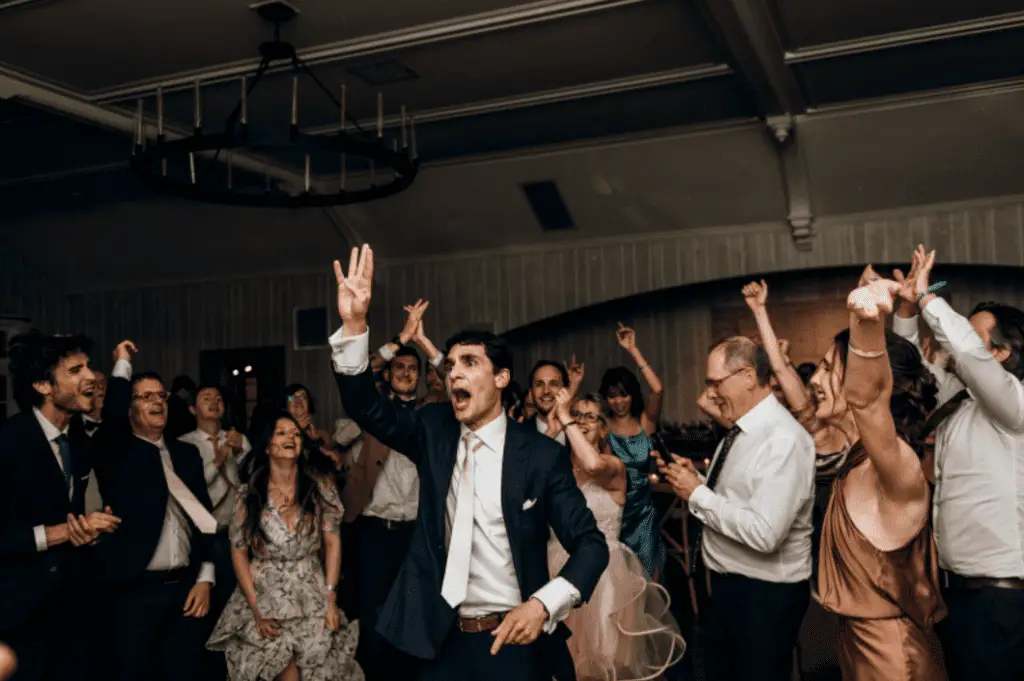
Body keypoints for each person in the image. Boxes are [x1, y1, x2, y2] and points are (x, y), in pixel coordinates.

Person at [330, 245, 609, 681]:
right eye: (452, 364)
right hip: (438, 640)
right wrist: (354, 324)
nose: (454, 372)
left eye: (470, 363)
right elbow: (365, 405)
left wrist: (542, 604)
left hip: (512, 639)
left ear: (500, 379)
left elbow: (592, 544)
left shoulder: (540, 455)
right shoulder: (432, 430)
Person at [893, 245, 1024, 681]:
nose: (955, 342)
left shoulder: (1014, 406)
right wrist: (909, 305)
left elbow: (969, 354)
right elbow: (910, 370)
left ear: (1001, 355)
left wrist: (930, 298)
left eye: (975, 334)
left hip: (1001, 597)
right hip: (956, 590)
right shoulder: (959, 402)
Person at [813, 271, 947, 680]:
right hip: (856, 645)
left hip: (895, 658)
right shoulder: (854, 457)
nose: (815, 380)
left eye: (826, 368)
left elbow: (868, 402)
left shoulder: (897, 467)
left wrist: (867, 321)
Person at [658, 336, 814, 681]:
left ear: (746, 375)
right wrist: (695, 478)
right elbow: (737, 497)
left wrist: (697, 494)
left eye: (715, 382)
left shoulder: (783, 440)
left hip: (763, 598)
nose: (710, 393)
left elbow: (765, 533)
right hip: (730, 589)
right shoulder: (744, 430)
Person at [91, 341, 219, 681]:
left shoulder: (186, 454)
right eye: (145, 396)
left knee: (186, 673)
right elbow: (112, 413)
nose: (156, 402)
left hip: (186, 591)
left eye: (160, 396)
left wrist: (205, 577)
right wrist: (121, 365)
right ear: (130, 408)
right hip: (135, 591)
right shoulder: (115, 452)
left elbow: (205, 519)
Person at [0, 332, 119, 681]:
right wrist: (60, 533)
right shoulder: (8, 442)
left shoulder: (78, 440)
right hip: (22, 612)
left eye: (90, 367)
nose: (91, 377)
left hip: (74, 608)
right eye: (75, 370)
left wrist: (91, 530)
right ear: (42, 385)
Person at [207, 414, 363, 681]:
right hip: (264, 594)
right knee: (284, 672)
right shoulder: (251, 492)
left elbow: (332, 541)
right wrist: (256, 610)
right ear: (267, 446)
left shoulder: (318, 486)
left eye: (295, 434)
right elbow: (239, 551)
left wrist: (330, 600)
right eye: (281, 433)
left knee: (317, 671)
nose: (290, 438)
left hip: (311, 593)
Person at [549, 389, 685, 681]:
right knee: (561, 663)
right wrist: (555, 426)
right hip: (556, 570)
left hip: (602, 575)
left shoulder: (613, 467)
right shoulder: (557, 470)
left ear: (602, 428)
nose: (582, 422)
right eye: (577, 414)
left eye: (591, 416)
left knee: (603, 661)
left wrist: (564, 417)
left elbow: (592, 464)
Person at [600, 323, 665, 581]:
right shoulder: (603, 428)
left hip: (644, 513)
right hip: (615, 513)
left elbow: (658, 389)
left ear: (632, 395)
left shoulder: (645, 423)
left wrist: (633, 350)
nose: (619, 402)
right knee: (619, 579)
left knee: (649, 577)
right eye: (613, 396)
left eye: (624, 395)